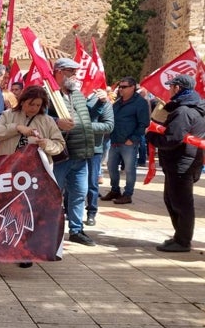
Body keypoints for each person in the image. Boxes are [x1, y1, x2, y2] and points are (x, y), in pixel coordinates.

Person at [147, 75, 205, 252]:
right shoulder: (192, 107)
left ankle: (182, 241)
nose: (169, 89)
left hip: (181, 162)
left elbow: (172, 139)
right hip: (187, 160)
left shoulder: (184, 112)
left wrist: (151, 136)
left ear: (178, 88)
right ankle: (180, 236)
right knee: (174, 200)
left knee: (180, 202)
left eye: (171, 86)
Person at [49, 58, 96, 246]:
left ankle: (76, 230)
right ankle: (49, 229)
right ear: (59, 72)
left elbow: (84, 116)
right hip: (62, 153)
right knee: (54, 193)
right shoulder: (49, 93)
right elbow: (37, 115)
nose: (75, 76)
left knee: (79, 192)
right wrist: (56, 121)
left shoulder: (77, 94)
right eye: (71, 71)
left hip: (81, 152)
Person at [100, 77, 150, 205]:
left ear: (132, 87)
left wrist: (132, 139)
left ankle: (128, 194)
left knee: (129, 169)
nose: (120, 89)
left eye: (124, 87)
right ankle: (115, 190)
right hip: (115, 141)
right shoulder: (118, 102)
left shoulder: (140, 103)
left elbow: (143, 123)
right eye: (120, 87)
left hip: (129, 143)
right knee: (111, 167)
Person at [0, 85, 66, 165]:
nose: (34, 108)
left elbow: (59, 144)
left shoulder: (48, 120)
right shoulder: (9, 114)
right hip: (6, 165)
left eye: (38, 105)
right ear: (22, 102)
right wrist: (16, 128)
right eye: (31, 104)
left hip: (35, 171)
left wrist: (47, 144)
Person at [84, 88, 114, 227]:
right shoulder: (70, 97)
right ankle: (67, 210)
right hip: (72, 147)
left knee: (92, 183)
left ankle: (91, 212)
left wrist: (84, 126)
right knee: (70, 183)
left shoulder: (103, 101)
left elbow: (108, 126)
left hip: (93, 149)